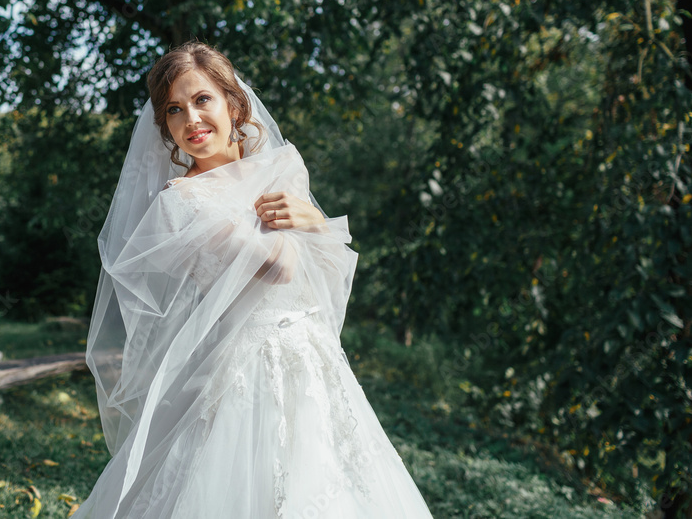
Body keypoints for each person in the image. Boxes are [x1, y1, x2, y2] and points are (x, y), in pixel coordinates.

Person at [73, 40, 433, 518]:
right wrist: (290, 215)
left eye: (203, 100)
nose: (191, 120)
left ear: (233, 103)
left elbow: (325, 269)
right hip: (244, 363)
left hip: (312, 354)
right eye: (175, 111)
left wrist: (312, 221)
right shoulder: (181, 199)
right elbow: (278, 267)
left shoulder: (283, 165)